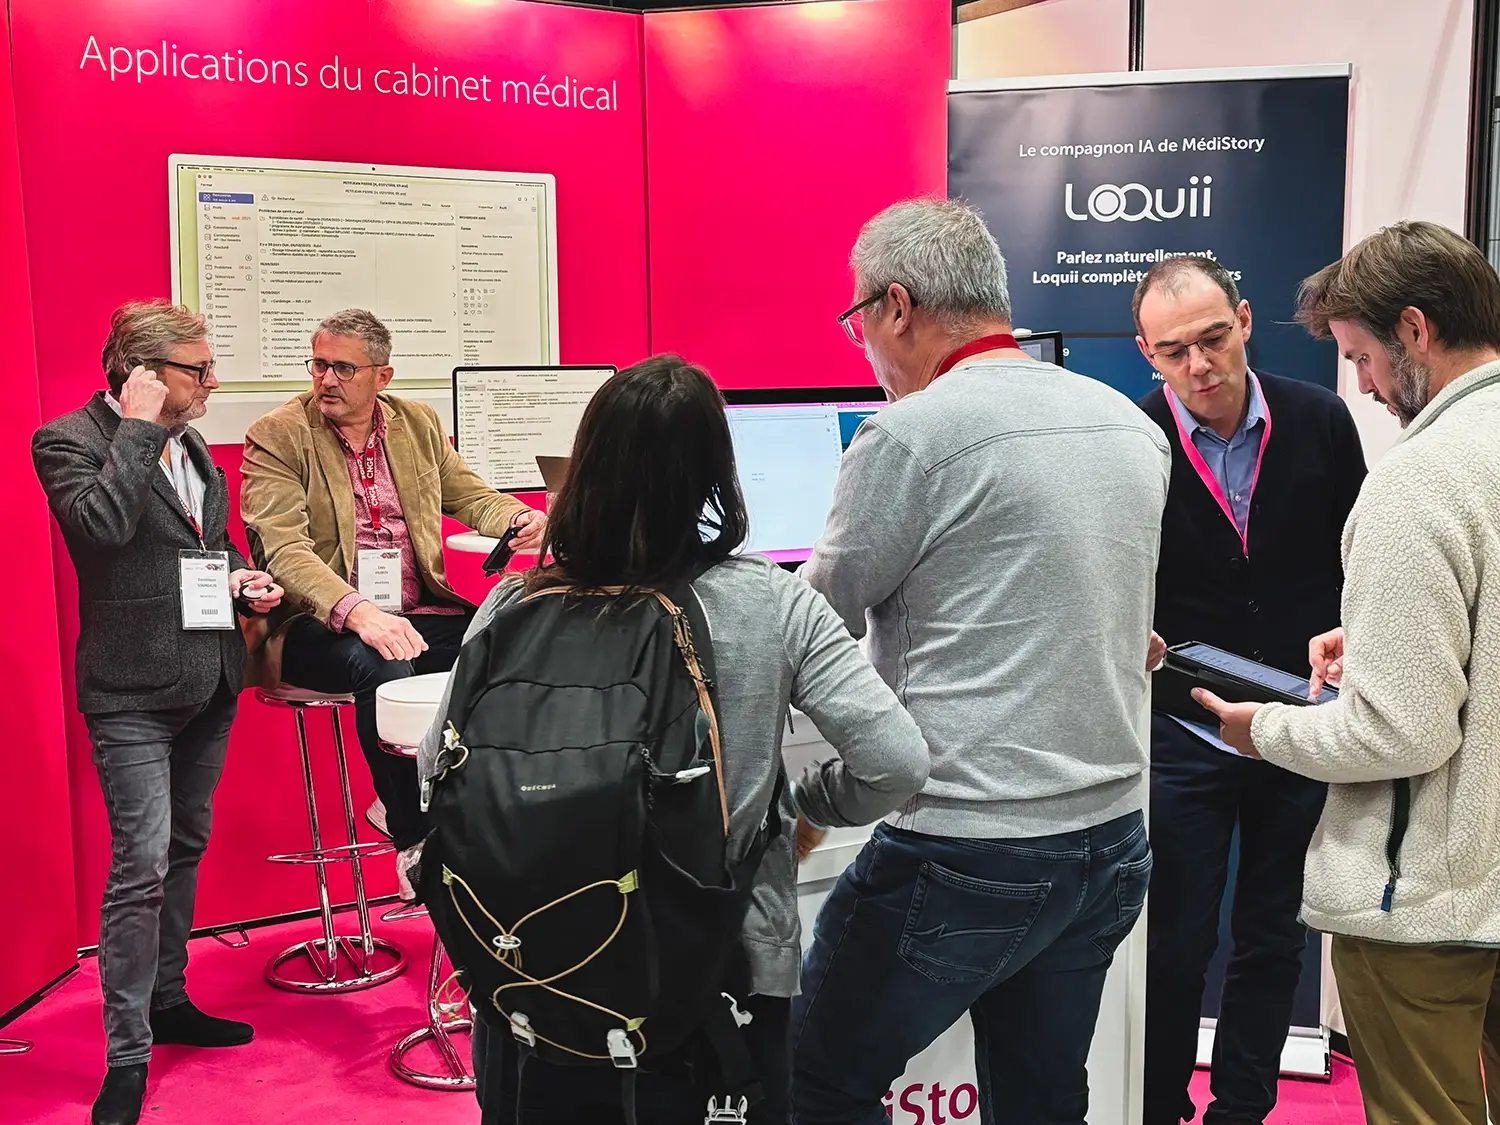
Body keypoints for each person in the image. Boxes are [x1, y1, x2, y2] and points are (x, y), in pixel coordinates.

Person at [415, 356, 930, 1124]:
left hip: (528, 971)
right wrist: (801, 803)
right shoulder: (774, 602)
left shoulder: (512, 602)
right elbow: (897, 761)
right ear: (715, 476)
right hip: (719, 975)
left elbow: (436, 771)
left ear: (583, 464)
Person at [790, 198, 1171, 1125]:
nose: (867, 350)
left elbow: (811, 622)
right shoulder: (1128, 422)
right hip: (1112, 838)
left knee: (809, 1079)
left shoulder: (911, 436)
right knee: (1041, 1098)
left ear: (897, 306)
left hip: (964, 841)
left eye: (858, 322)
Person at [1194, 220, 1500, 1125]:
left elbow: (1398, 732)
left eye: (1362, 356)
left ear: (1414, 330)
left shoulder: (1422, 478)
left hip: (1430, 907)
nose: (1363, 385)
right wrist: (1373, 634)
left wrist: (1262, 730)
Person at [31, 301, 284, 1125]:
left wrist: (242, 576)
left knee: (184, 846)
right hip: (130, 693)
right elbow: (101, 530)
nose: (212, 382)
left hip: (210, 678)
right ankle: (128, 1053)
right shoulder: (67, 441)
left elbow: (203, 544)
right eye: (197, 369)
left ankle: (170, 999)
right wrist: (138, 428)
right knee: (138, 865)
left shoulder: (194, 446)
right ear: (141, 374)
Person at [1131, 257, 1367, 1125]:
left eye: (1212, 338)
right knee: (1174, 945)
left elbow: (1361, 567)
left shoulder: (1321, 419)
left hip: (1298, 731)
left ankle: (1241, 1110)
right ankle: (1157, 1109)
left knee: (1273, 937)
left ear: (1244, 319)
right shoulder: (1136, 443)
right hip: (1183, 736)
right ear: (1147, 354)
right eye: (1174, 350)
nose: (1198, 365)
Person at [239, 309, 544, 895]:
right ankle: (414, 837)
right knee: (382, 665)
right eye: (319, 364)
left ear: (383, 376)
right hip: (315, 621)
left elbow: (467, 492)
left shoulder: (417, 423)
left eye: (343, 368)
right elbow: (284, 551)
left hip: (416, 610)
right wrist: (358, 611)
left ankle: (452, 804)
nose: (326, 379)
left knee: (512, 644)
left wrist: (516, 517)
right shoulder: (278, 436)